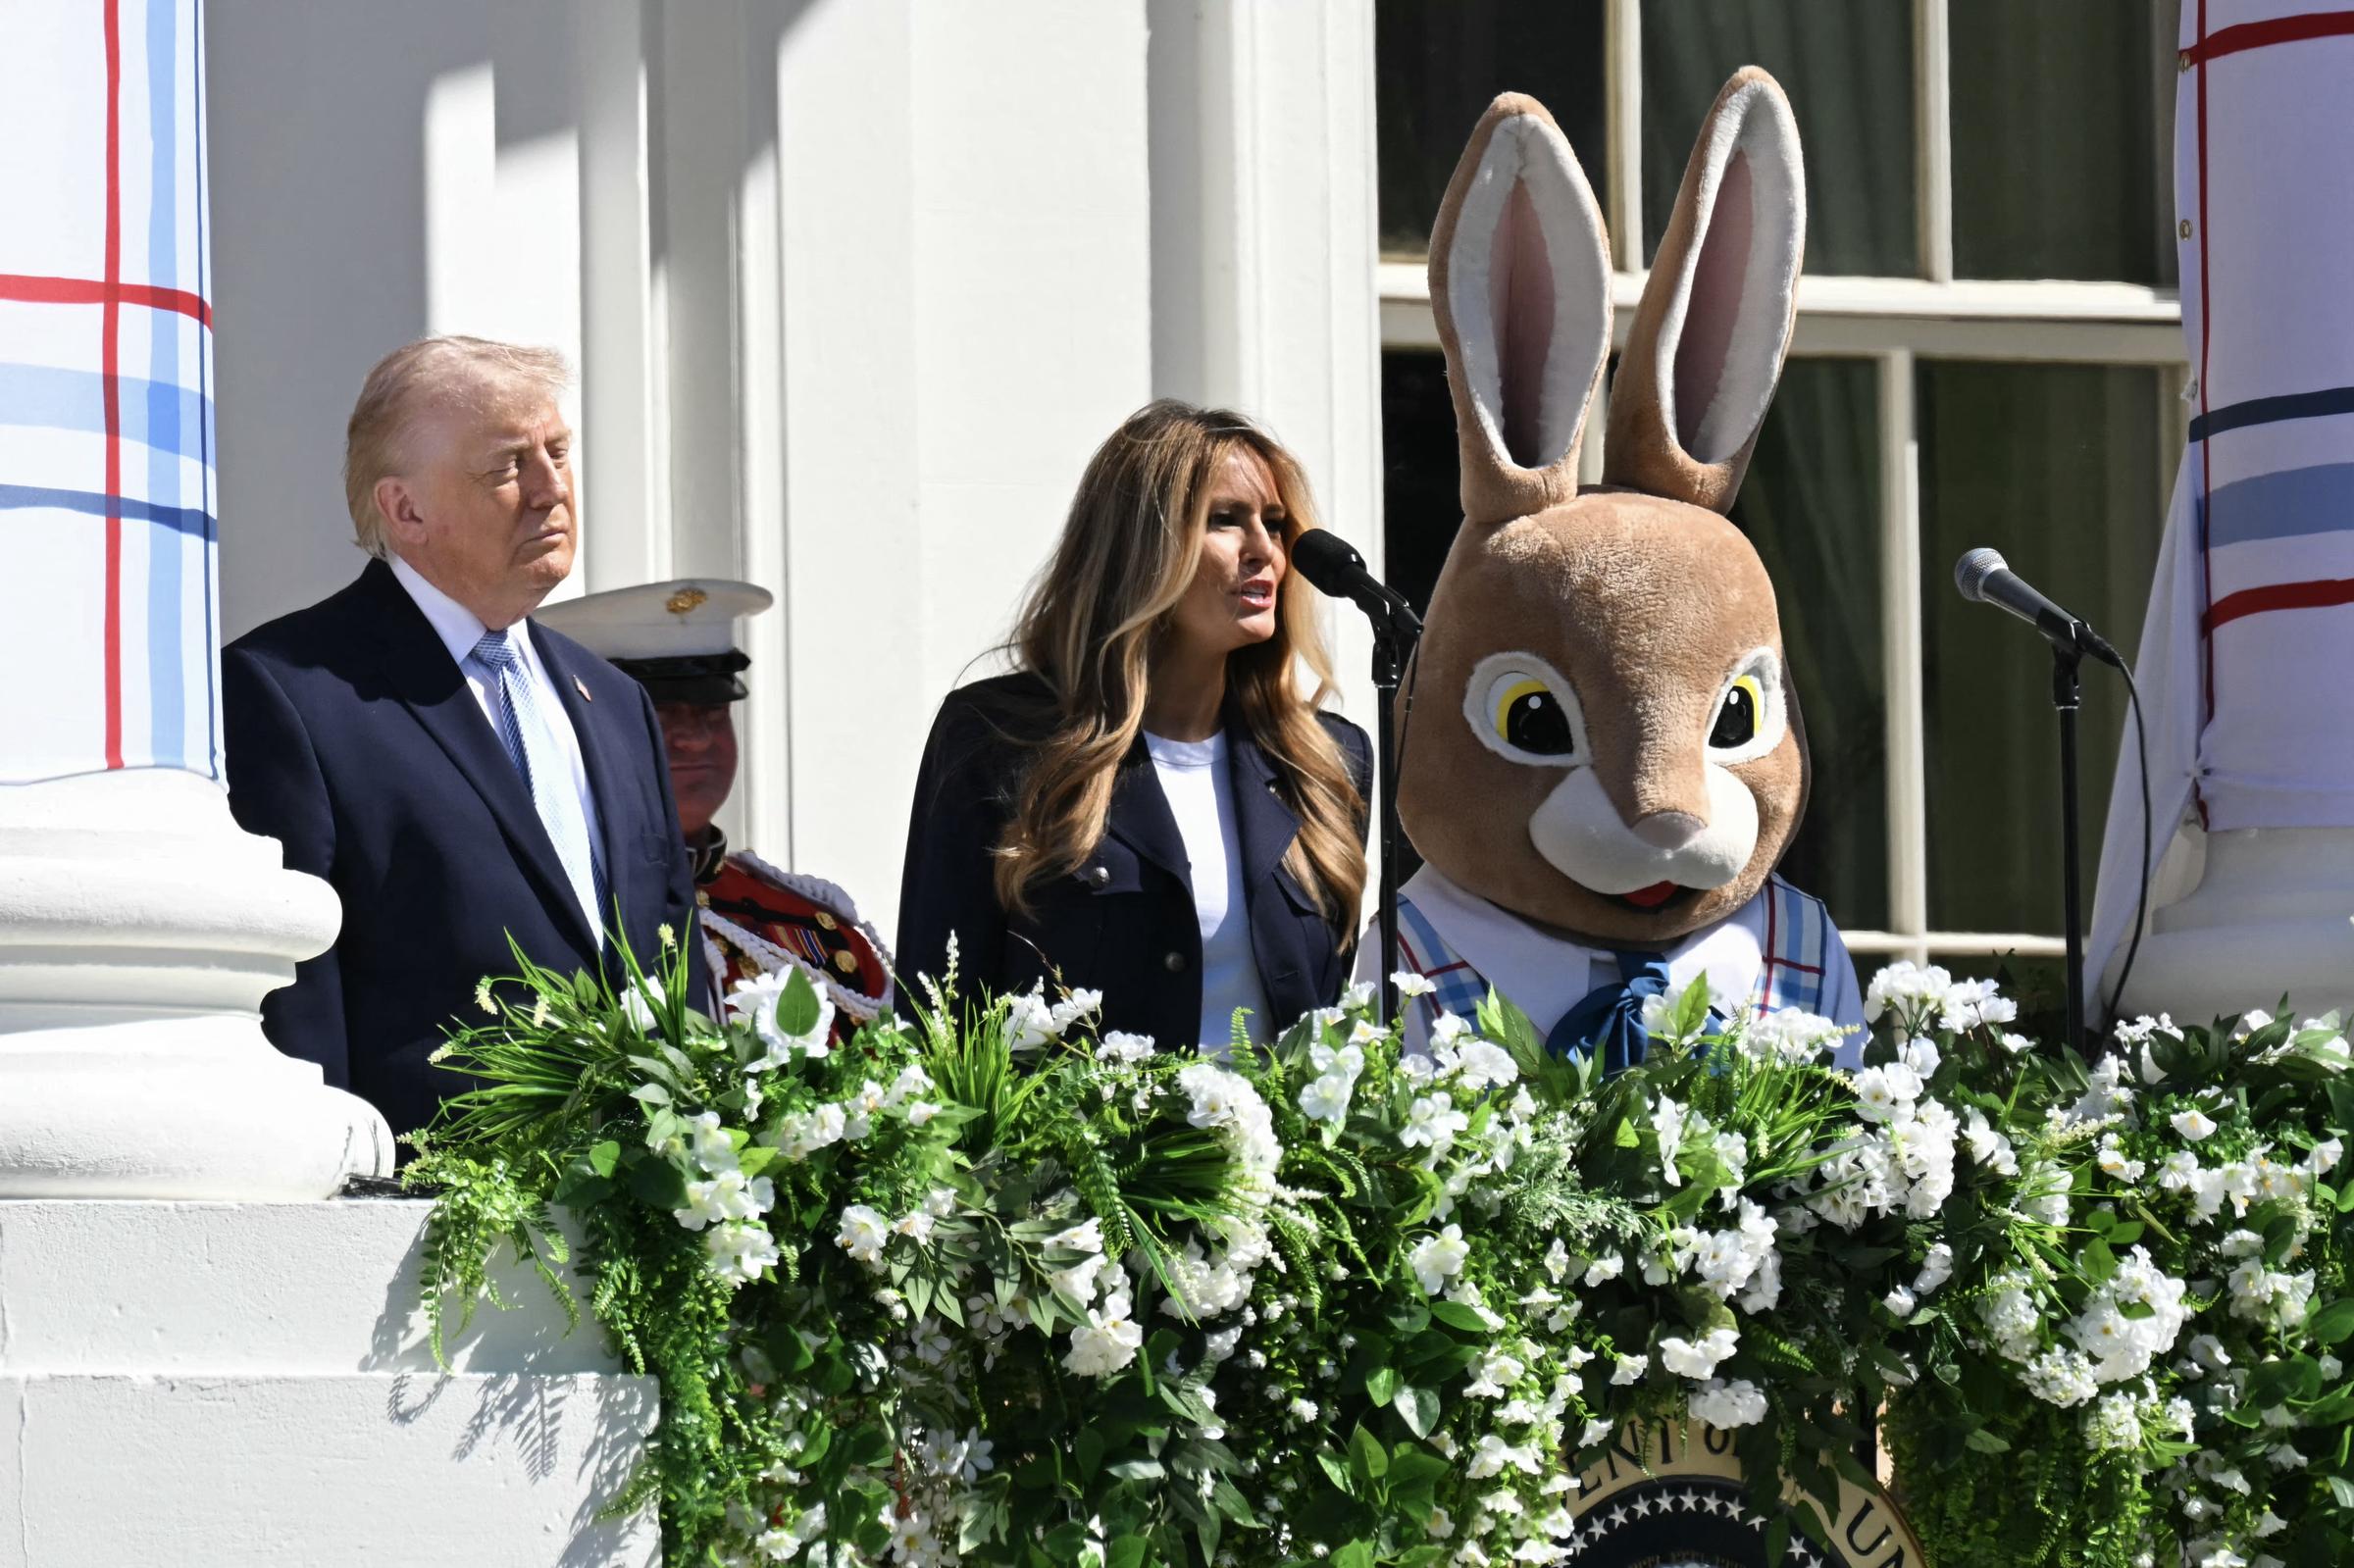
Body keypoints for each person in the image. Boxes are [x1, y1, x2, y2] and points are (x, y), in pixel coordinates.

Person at [223, 336, 700, 1144]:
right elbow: (298, 999)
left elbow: (671, 969)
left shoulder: (613, 701)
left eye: (558, 452)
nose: (553, 489)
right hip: (430, 1228)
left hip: (636, 1224)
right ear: (405, 510)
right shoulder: (295, 690)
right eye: (508, 467)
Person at [896, 400, 1371, 1053]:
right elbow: (934, 1020)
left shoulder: (1326, 761)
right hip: (1075, 1155)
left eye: (1275, 522)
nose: (1265, 549)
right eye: (1224, 520)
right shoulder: (998, 740)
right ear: (1141, 547)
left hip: (1281, 1156)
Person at [536, 579, 892, 1034]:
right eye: (661, 716)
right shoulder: (557, 915)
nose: (698, 738)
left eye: (713, 713)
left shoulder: (814, 927)